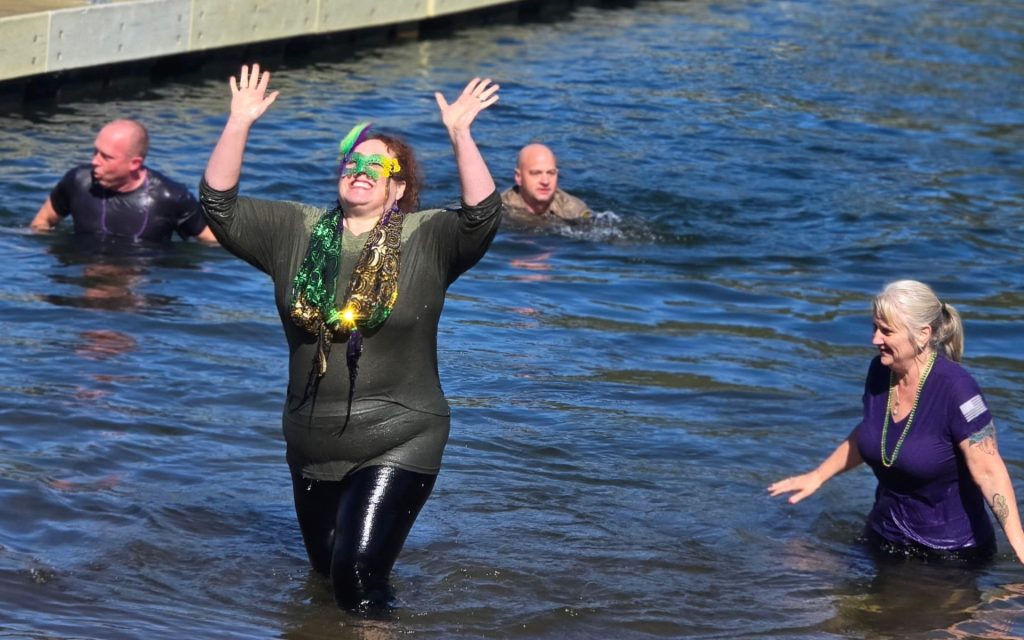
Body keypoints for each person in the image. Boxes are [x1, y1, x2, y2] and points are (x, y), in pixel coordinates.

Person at [200, 63, 502, 613]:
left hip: (399, 433)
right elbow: (219, 206)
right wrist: (238, 122)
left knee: (357, 577)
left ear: (398, 187)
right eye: (352, 162)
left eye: (377, 165)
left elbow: (481, 216)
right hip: (310, 442)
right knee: (325, 577)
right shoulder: (294, 228)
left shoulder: (427, 236)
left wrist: (461, 133)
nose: (360, 171)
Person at [768, 280, 1024, 564]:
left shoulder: (958, 390)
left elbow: (989, 471)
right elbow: (872, 433)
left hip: (950, 556)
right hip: (884, 537)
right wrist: (817, 476)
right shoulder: (880, 371)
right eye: (875, 328)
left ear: (923, 335)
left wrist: (1020, 546)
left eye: (886, 331)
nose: (875, 339)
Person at [30, 119, 217, 244]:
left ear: (134, 163)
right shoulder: (78, 181)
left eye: (106, 157)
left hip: (138, 285)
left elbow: (213, 241)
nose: (94, 161)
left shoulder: (170, 197)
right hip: (84, 274)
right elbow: (42, 222)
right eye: (95, 152)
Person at [500, 143, 590, 221]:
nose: (545, 181)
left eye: (551, 173)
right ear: (518, 177)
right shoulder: (498, 209)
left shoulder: (574, 211)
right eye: (536, 173)